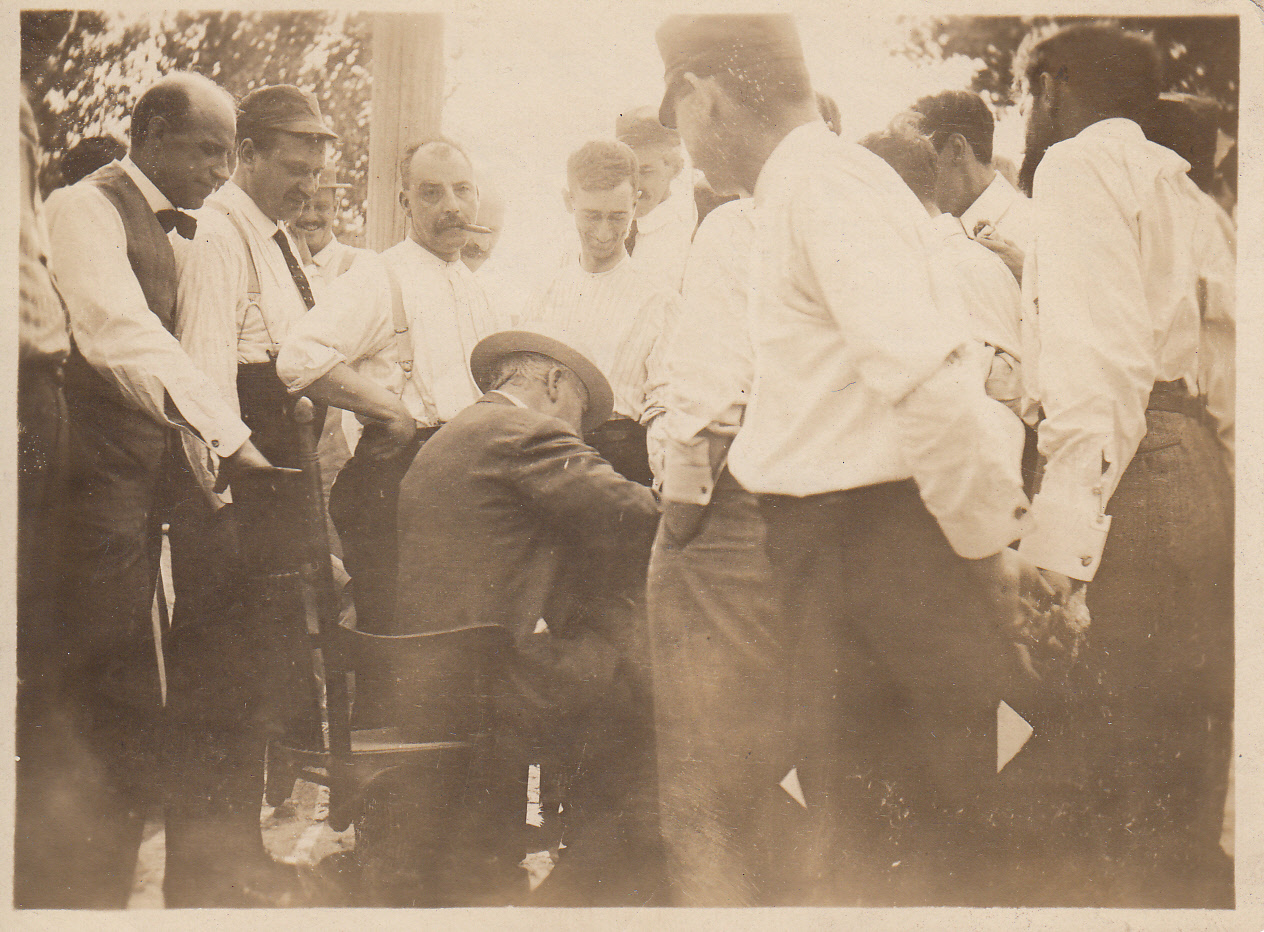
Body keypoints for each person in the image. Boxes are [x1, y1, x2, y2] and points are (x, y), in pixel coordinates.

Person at [656, 14, 1039, 906]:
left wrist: (986, 559)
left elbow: (932, 382)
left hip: (872, 553)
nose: (685, 146)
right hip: (836, 552)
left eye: (677, 117)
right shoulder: (807, 186)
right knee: (873, 831)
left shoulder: (824, 186)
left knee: (907, 840)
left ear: (699, 94)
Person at [1010, 22, 1233, 908]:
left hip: (1133, 482)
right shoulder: (1184, 192)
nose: (1025, 117)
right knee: (1176, 780)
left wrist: (1059, 552)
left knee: (1110, 793)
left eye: (1027, 94)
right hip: (1195, 474)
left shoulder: (1076, 168)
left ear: (1055, 87)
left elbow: (1096, 370)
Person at [43, 71, 266, 908]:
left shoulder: (197, 235)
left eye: (229, 154)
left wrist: (207, 465)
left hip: (148, 490)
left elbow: (196, 353)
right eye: (209, 150)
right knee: (100, 691)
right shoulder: (81, 207)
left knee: (153, 690)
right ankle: (73, 896)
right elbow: (116, 335)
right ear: (154, 132)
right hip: (85, 485)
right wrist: (229, 438)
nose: (220, 170)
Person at [393, 326, 663, 905]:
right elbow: (632, 512)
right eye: (580, 420)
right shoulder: (525, 431)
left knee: (608, 654)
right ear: (555, 381)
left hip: (428, 675)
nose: (580, 436)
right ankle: (594, 888)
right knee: (643, 678)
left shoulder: (450, 435)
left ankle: (577, 864)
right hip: (491, 678)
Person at [165, 82, 337, 906]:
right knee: (218, 684)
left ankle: (236, 856)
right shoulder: (222, 233)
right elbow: (204, 374)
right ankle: (203, 877)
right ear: (250, 153)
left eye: (316, 168)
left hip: (272, 483)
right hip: (233, 489)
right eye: (294, 165)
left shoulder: (276, 240)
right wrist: (222, 499)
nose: (307, 183)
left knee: (256, 681)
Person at [276, 138, 499, 635]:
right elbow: (299, 356)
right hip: (400, 482)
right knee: (400, 637)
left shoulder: (474, 287)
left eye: (463, 191)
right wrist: (390, 411)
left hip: (462, 478)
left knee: (455, 637)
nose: (452, 206)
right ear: (405, 203)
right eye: (431, 193)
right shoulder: (380, 275)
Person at [645, 193, 792, 906]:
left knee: (702, 765)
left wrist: (679, 517)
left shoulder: (737, 225)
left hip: (733, 511)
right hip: (828, 515)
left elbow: (706, 407)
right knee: (793, 762)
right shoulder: (865, 205)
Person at [521, 139, 680, 485]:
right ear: (569, 202)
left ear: (636, 204)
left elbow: (664, 405)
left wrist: (664, 489)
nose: (605, 232)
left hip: (621, 466)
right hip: (546, 462)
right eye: (592, 215)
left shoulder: (661, 300)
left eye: (618, 216)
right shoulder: (544, 291)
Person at [912, 89, 1032, 280]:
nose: (914, 179)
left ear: (957, 149)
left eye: (920, 161)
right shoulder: (928, 239)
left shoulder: (1042, 226)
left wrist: (1032, 279)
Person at [615, 105, 697, 292]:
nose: (633, 183)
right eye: (625, 170)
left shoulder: (686, 235)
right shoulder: (611, 227)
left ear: (675, 168)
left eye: (645, 171)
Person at [291, 166, 372, 295]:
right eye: (303, 206)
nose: (311, 217)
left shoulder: (358, 263)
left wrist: (307, 266)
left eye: (321, 207)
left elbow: (331, 314)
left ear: (335, 208)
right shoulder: (276, 259)